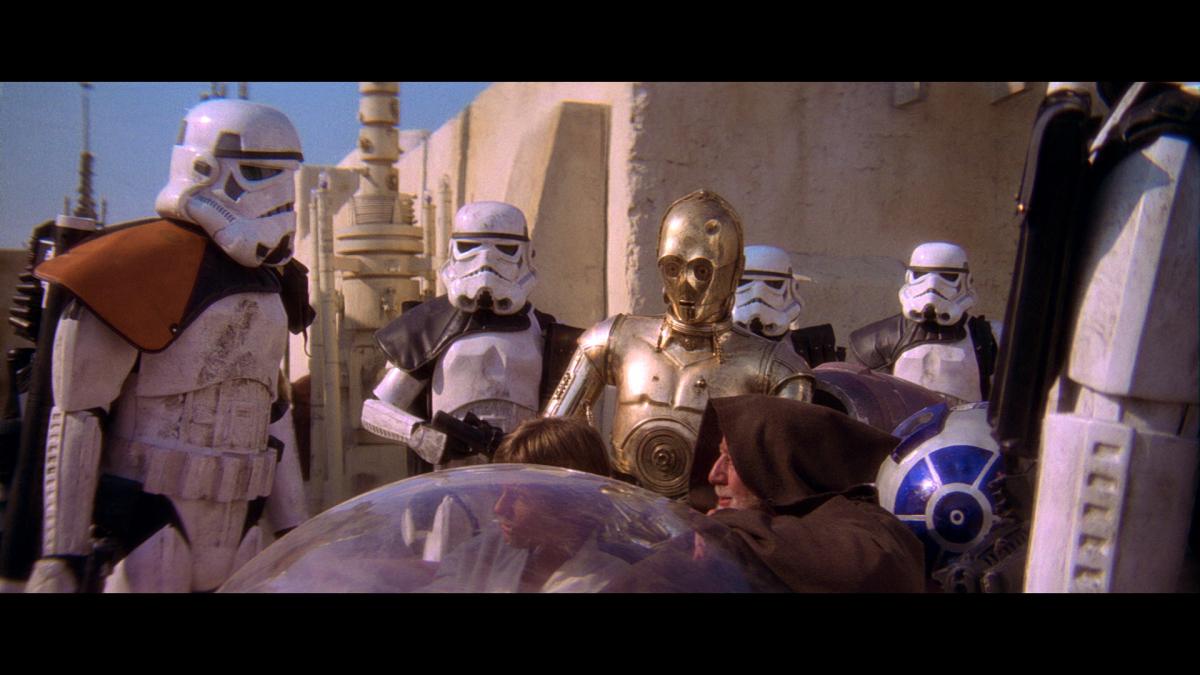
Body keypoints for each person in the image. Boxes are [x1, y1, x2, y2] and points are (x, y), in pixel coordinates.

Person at [20, 99, 313, 592]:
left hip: (241, 523)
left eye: (287, 177)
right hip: (148, 521)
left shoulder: (274, 284)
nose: (279, 196)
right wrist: (60, 553)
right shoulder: (130, 268)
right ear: (203, 168)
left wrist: (295, 531)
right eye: (260, 173)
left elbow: (272, 410)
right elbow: (77, 417)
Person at [544, 190, 814, 497]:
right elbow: (550, 438)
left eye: (702, 270)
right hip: (620, 505)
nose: (686, 284)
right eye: (673, 267)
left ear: (734, 270)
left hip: (712, 515)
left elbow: (783, 479)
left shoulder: (778, 369)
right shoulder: (612, 337)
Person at [362, 202, 582, 472]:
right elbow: (375, 410)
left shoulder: (548, 333)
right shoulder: (429, 326)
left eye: (505, 249)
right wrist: (419, 434)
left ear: (526, 254)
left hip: (523, 477)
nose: (485, 262)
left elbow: (574, 419)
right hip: (451, 477)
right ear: (453, 251)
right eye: (470, 247)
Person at [691, 394, 926, 592]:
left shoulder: (868, 526)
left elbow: (872, 567)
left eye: (731, 461)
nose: (714, 475)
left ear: (773, 464)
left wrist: (729, 526)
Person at [421, 416, 627, 592]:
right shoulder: (487, 551)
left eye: (517, 496)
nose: (499, 508)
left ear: (567, 502)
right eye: (501, 492)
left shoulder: (614, 582)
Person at [847, 242, 1000, 402]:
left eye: (947, 277)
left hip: (967, 417)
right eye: (921, 275)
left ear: (966, 281)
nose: (932, 285)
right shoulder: (877, 339)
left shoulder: (991, 337)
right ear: (909, 278)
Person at [732, 244, 843, 366]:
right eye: (744, 283)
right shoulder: (718, 345)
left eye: (773, 284)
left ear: (791, 288)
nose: (758, 293)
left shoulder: (809, 348)